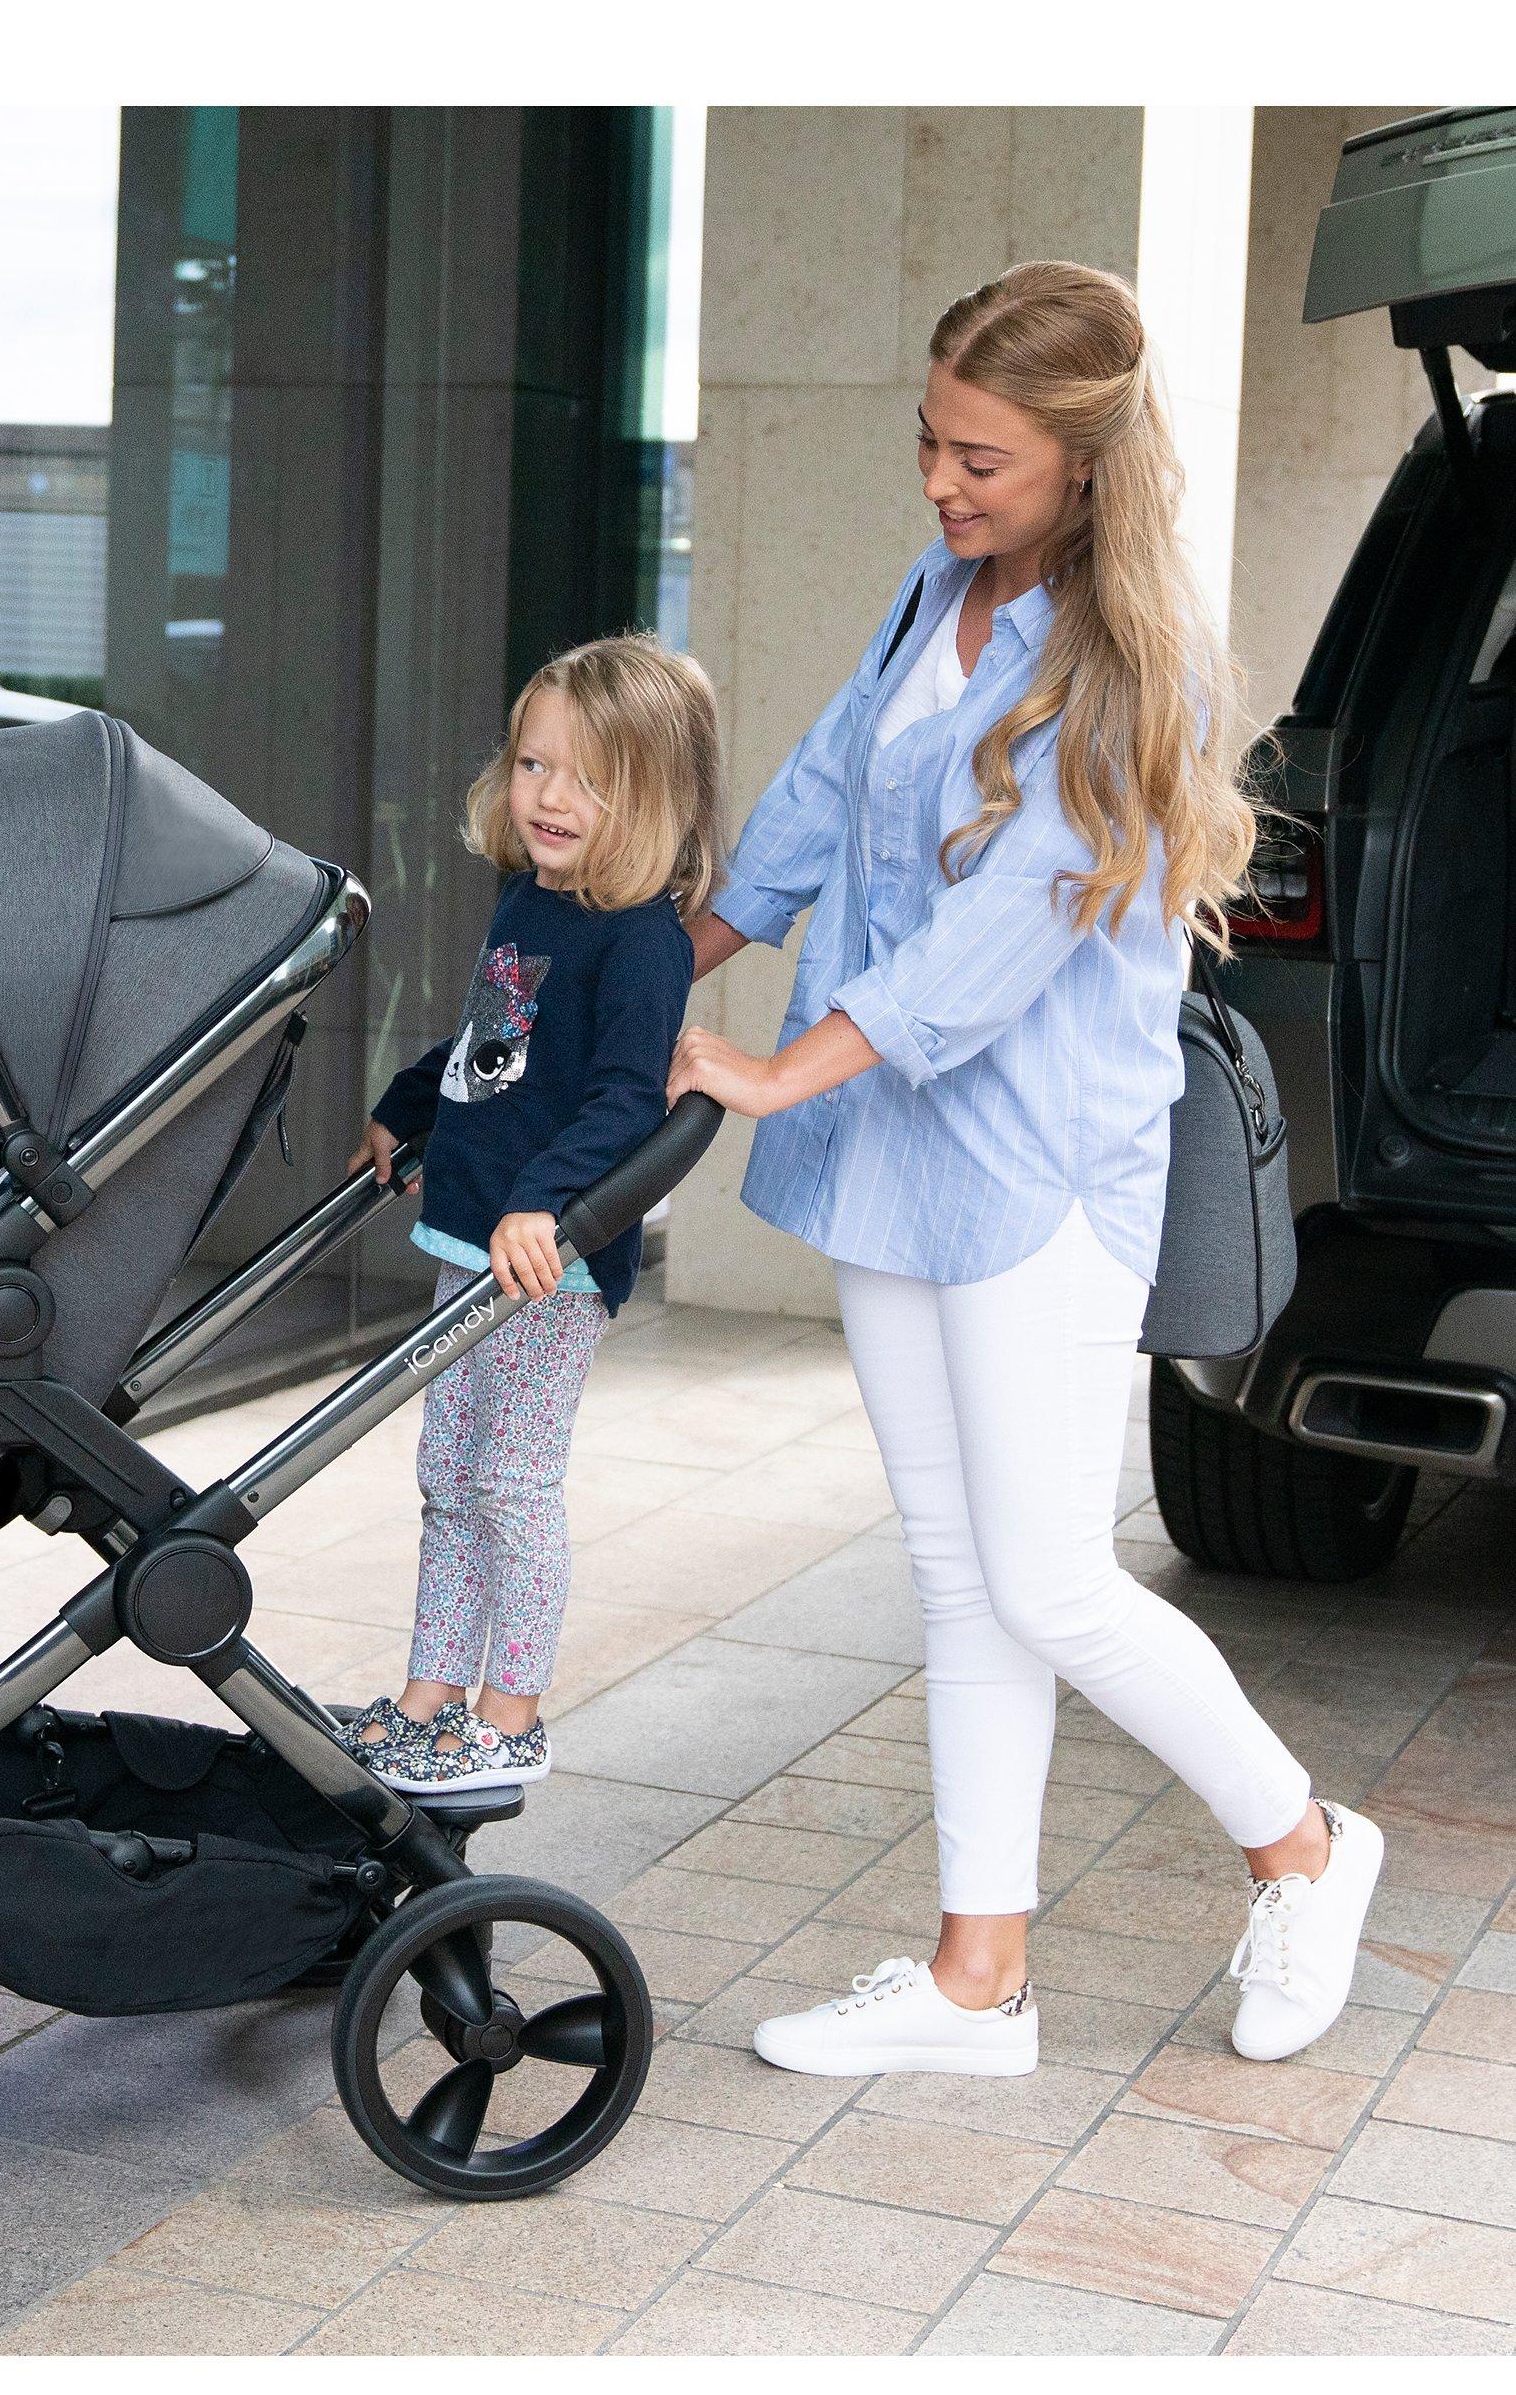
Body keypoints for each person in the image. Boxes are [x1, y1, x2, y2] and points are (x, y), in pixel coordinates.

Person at [667, 260, 1382, 2077]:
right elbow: (822, 793)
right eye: (929, 442)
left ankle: (1304, 1846)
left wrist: (773, 1068)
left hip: (1036, 1168)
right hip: (891, 1151)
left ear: (1083, 460)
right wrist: (664, 960)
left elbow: (1003, 934)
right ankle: (976, 1984)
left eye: (978, 458)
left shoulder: (1139, 669)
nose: (939, 482)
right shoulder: (939, 591)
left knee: (1050, 1577)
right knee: (956, 1571)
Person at [339, 633, 723, 1794]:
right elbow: (490, 1045)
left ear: (653, 800)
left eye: (592, 780)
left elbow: (624, 1103)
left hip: (551, 1265)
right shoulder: (530, 900)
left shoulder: (641, 940)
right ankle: (430, 1695)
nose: (552, 797)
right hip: (472, 1238)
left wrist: (546, 1206)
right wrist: (409, 1106)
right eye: (535, 765)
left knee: (510, 1483)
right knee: (448, 1476)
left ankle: (511, 1712)